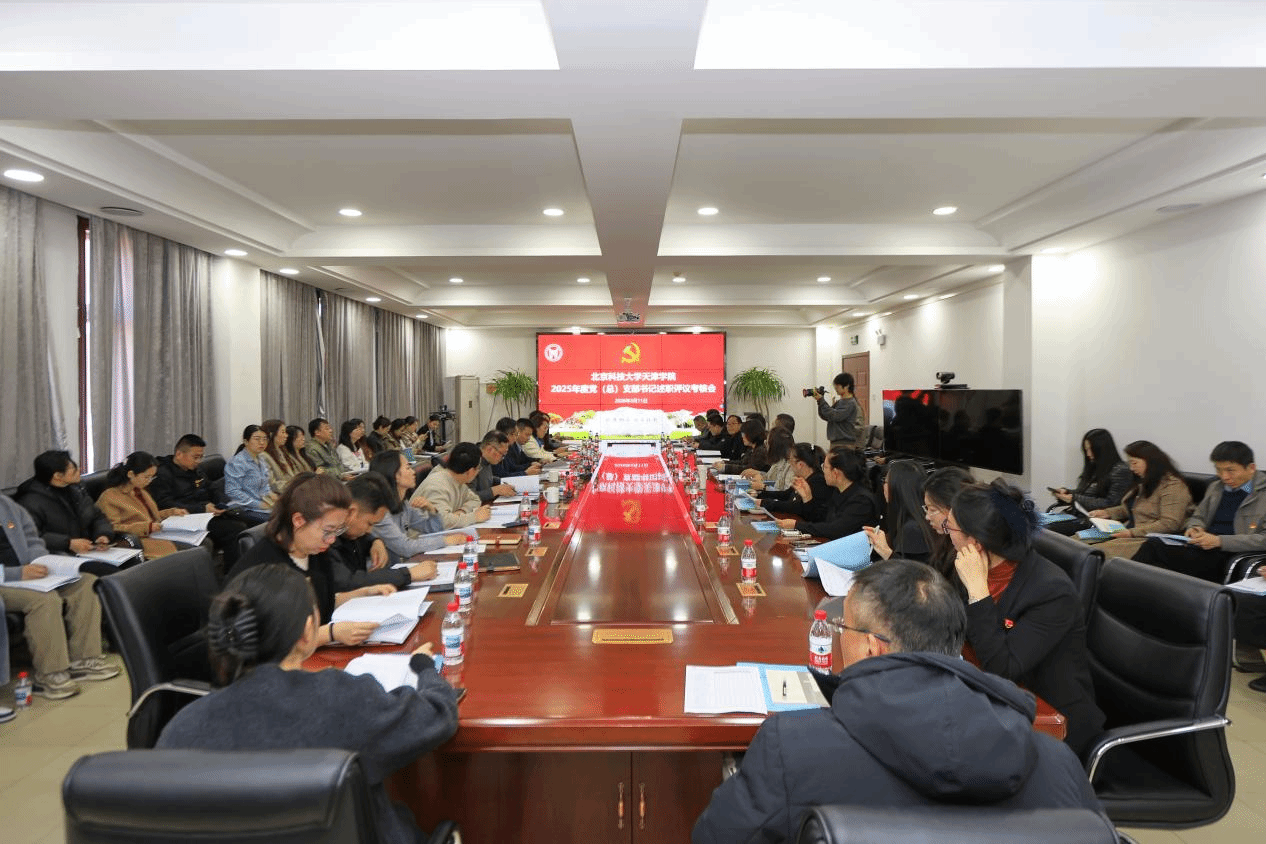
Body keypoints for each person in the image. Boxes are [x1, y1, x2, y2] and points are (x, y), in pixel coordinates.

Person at [691, 559, 1103, 844]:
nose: (839, 636)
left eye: (843, 627)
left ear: (872, 646)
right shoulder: (1058, 762)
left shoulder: (792, 748)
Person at [156, 564, 460, 844]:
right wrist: (424, 668)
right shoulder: (341, 698)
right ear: (307, 631)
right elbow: (438, 715)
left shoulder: (181, 730)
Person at [945, 479, 1105, 758]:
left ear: (976, 542)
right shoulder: (975, 565)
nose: (946, 534)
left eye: (950, 527)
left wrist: (978, 594)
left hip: (1052, 725)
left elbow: (1002, 668)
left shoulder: (1051, 591)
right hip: (999, 702)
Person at [226, 472, 394, 645]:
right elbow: (269, 640)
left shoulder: (315, 552)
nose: (332, 539)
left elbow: (323, 602)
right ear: (299, 520)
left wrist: (364, 593)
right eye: (328, 531)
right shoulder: (264, 568)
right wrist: (330, 633)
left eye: (338, 530)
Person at [0, 493, 120, 700]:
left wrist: (40, 561)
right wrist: (16, 573)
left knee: (85, 583)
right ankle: (50, 674)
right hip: (5, 580)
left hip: (28, 574)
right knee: (44, 600)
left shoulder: (6, 505)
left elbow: (32, 539)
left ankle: (84, 659)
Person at [1133, 440, 1266, 583]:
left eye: (1230, 470)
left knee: (1154, 550)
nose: (1224, 477)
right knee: (1153, 548)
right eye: (1219, 470)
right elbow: (1198, 516)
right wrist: (1195, 527)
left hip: (1229, 553)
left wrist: (1220, 541)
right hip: (1202, 545)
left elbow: (1263, 539)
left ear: (1251, 468)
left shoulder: (1261, 494)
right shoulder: (1216, 488)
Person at [151, 434, 252, 572]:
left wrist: (222, 504)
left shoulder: (195, 470)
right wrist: (201, 508)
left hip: (204, 514)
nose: (199, 461)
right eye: (195, 457)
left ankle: (250, 567)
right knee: (235, 529)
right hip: (184, 519)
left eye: (201, 457)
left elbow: (211, 488)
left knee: (244, 515)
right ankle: (233, 574)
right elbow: (164, 504)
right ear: (179, 454)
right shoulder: (162, 474)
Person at [1085, 440, 1193, 559]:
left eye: (1134, 463)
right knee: (1077, 540)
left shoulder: (1172, 486)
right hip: (1125, 529)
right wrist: (1107, 513)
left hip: (1145, 538)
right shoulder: (1144, 481)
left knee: (1093, 554)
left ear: (1150, 461)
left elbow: (1170, 524)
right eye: (1130, 463)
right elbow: (1131, 508)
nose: (1131, 468)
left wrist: (1132, 533)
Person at [327, 474, 438, 589]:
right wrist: (408, 574)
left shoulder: (352, 532)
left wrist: (376, 541)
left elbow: (366, 538)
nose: (369, 530)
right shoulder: (327, 539)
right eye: (369, 523)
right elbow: (347, 581)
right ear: (352, 512)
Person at [367, 450, 467, 564]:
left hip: (398, 567)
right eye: (408, 468)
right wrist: (446, 540)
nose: (413, 472)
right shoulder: (380, 512)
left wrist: (432, 510)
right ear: (395, 475)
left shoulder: (403, 504)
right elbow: (405, 547)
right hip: (383, 572)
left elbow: (434, 530)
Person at [14, 450, 114, 556]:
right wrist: (68, 543)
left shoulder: (77, 490)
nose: (79, 470)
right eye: (74, 469)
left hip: (88, 551)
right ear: (58, 476)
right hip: (56, 555)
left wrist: (102, 534)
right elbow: (30, 536)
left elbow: (97, 517)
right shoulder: (30, 501)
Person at [97, 451, 188, 559]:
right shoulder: (110, 497)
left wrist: (172, 512)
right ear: (131, 474)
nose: (149, 481)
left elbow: (149, 515)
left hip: (156, 535)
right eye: (146, 477)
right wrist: (147, 527)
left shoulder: (139, 491)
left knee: (199, 545)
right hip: (140, 540)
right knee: (188, 553)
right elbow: (113, 527)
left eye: (152, 477)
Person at [775, 447, 879, 540]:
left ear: (836, 473)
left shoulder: (862, 500)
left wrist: (796, 525)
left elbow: (835, 529)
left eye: (824, 467)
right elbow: (822, 519)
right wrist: (808, 499)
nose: (822, 471)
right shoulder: (838, 491)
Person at [865, 459, 934, 562]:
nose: (883, 486)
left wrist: (885, 550)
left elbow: (908, 570)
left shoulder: (912, 529)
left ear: (897, 488)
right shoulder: (917, 518)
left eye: (885, 482)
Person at [920, 466, 976, 591]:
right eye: (926, 508)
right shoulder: (944, 539)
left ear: (953, 508)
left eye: (932, 510)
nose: (927, 516)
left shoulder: (968, 552)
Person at [413, 443, 492, 529]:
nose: (478, 471)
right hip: (421, 535)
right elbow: (443, 522)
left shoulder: (457, 479)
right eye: (478, 468)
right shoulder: (437, 485)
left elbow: (475, 499)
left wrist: (461, 512)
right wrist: (474, 517)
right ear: (470, 471)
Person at [1050, 428, 1133, 511]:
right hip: (1081, 514)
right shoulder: (1094, 466)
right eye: (1086, 450)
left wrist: (1074, 498)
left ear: (1103, 449)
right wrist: (1067, 493)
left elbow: (1111, 503)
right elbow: (1085, 494)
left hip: (1097, 517)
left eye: (1091, 449)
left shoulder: (1121, 470)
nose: (1088, 454)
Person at [758, 443, 830, 521]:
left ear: (800, 464)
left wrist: (766, 503)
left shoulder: (817, 481)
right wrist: (760, 494)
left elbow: (797, 507)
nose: (789, 463)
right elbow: (786, 494)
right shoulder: (803, 478)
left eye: (790, 460)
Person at [223, 425, 275, 524]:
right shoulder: (237, 462)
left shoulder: (261, 458)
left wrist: (271, 495)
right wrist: (259, 504)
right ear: (246, 441)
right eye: (257, 439)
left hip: (262, 505)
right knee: (278, 521)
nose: (262, 442)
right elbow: (232, 491)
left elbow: (264, 485)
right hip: (244, 508)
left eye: (265, 439)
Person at [815, 372, 862, 450]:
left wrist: (821, 400)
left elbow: (835, 416)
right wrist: (820, 401)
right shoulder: (840, 402)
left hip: (845, 444)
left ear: (846, 386)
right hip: (836, 442)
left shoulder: (851, 403)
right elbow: (827, 416)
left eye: (837, 386)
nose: (835, 388)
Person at [470, 432, 521, 504]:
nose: (502, 459)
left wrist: (503, 482)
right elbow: (469, 497)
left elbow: (487, 479)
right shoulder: (472, 462)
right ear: (489, 449)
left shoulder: (487, 460)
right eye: (502, 454)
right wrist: (495, 491)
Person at [259, 418, 306, 493]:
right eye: (283, 432)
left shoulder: (283, 453)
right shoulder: (263, 456)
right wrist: (295, 485)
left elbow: (295, 474)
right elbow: (272, 484)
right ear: (272, 434)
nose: (286, 436)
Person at [743, 426, 794, 493]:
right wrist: (759, 475)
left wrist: (763, 486)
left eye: (767, 442)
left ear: (775, 446)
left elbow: (785, 493)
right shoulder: (778, 461)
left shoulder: (791, 466)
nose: (765, 445)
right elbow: (770, 479)